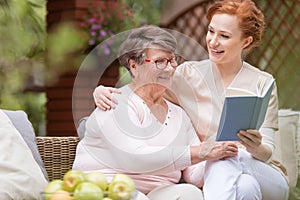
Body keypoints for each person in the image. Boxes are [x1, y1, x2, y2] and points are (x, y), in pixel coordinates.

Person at [92, 0, 289, 199]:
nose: (213, 41)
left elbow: (268, 153)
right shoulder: (187, 75)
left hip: (265, 174)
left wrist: (253, 146)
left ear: (245, 42)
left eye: (224, 36)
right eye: (211, 31)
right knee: (244, 185)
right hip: (217, 173)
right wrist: (102, 91)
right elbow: (144, 84)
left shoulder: (262, 83)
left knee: (227, 158)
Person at [73, 25, 239, 200]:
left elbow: (194, 175)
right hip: (105, 189)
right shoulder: (115, 102)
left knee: (191, 194)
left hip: (156, 193)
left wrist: (220, 150)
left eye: (172, 60)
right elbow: (136, 158)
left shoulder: (179, 115)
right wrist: (201, 151)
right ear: (134, 66)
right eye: (160, 61)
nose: (169, 68)